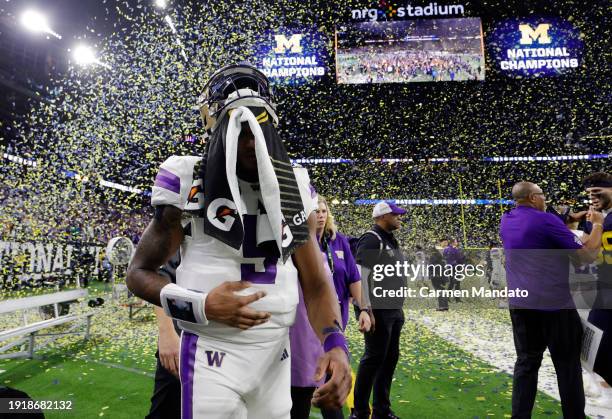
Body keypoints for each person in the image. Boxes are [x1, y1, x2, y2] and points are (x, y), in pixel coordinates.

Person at [127, 63, 351, 419]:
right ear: (216, 127)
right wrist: (200, 306)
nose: (250, 142)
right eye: (239, 129)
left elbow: (316, 281)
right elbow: (138, 273)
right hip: (211, 349)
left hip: (275, 355)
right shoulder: (188, 179)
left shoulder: (293, 185)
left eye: (257, 128)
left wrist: (336, 343)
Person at [499, 181, 603, 419]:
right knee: (567, 367)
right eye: (543, 195)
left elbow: (540, 232)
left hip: (521, 305)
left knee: (526, 364)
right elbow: (586, 255)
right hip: (554, 305)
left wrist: (567, 220)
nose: (546, 200)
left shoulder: (506, 219)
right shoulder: (545, 220)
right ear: (535, 198)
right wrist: (597, 225)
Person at [290, 196, 370, 419]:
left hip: (331, 330)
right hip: (300, 332)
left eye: (324, 211)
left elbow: (354, 278)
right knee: (300, 394)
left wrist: (364, 309)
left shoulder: (339, 241)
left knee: (333, 398)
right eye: (316, 210)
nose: (321, 215)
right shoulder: (295, 243)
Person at [350, 202, 407, 419]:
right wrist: (365, 308)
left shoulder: (388, 239)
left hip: (392, 309)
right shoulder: (372, 238)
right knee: (374, 358)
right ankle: (361, 411)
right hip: (378, 310)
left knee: (389, 358)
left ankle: (382, 409)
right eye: (396, 214)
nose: (400, 217)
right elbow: (361, 275)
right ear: (383, 216)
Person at [581, 172, 612, 404]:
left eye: (598, 192)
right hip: (605, 286)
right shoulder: (596, 218)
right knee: (593, 342)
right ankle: (607, 385)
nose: (593, 198)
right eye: (590, 194)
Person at [147, 252, 182, 419]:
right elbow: (160, 277)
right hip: (183, 339)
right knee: (165, 411)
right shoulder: (190, 228)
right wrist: (167, 333)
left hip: (237, 343)